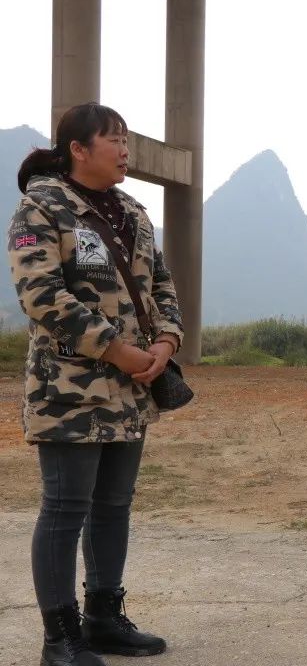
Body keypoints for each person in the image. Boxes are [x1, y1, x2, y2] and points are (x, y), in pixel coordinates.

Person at [8, 102, 184, 666]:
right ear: (79, 149)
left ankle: (104, 618)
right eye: (114, 140)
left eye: (126, 140)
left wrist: (165, 343)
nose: (125, 151)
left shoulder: (133, 213)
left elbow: (161, 285)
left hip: (131, 388)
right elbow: (42, 296)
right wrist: (119, 350)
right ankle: (60, 638)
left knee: (113, 505)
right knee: (65, 508)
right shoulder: (42, 207)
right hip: (68, 389)